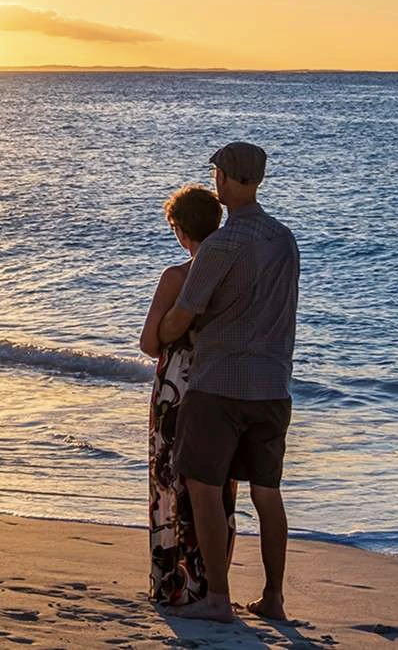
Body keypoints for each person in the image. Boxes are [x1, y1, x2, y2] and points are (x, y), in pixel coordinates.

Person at [157, 141, 300, 623]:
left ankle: (217, 598)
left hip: (220, 384)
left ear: (224, 179)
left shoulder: (221, 244)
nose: (215, 181)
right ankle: (274, 598)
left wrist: (161, 336)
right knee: (266, 492)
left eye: (216, 174)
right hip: (274, 384)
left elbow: (183, 314)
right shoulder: (284, 239)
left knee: (205, 487)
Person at [140, 184, 238, 606]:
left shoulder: (177, 277)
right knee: (217, 485)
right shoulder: (232, 278)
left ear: (180, 230)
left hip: (176, 390)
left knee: (169, 479)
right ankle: (210, 581)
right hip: (222, 384)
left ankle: (173, 583)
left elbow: (149, 343)